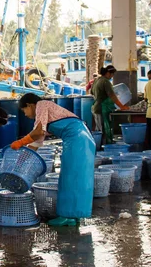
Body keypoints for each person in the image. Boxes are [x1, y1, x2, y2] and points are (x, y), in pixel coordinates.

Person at [13, 93, 95, 227]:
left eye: (24, 111)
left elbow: (38, 132)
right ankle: (74, 216)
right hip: (82, 138)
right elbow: (36, 143)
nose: (25, 115)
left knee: (70, 177)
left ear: (30, 105)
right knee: (77, 177)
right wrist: (21, 162)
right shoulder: (43, 116)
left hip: (77, 139)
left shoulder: (41, 105)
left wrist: (21, 142)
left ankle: (67, 216)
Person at [91, 65, 129, 144]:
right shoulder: (105, 81)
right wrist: (121, 106)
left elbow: (91, 92)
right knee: (104, 130)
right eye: (112, 74)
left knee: (99, 129)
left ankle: (100, 145)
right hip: (101, 108)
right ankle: (104, 147)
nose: (112, 76)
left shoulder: (97, 80)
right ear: (108, 73)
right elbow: (112, 96)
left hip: (96, 107)